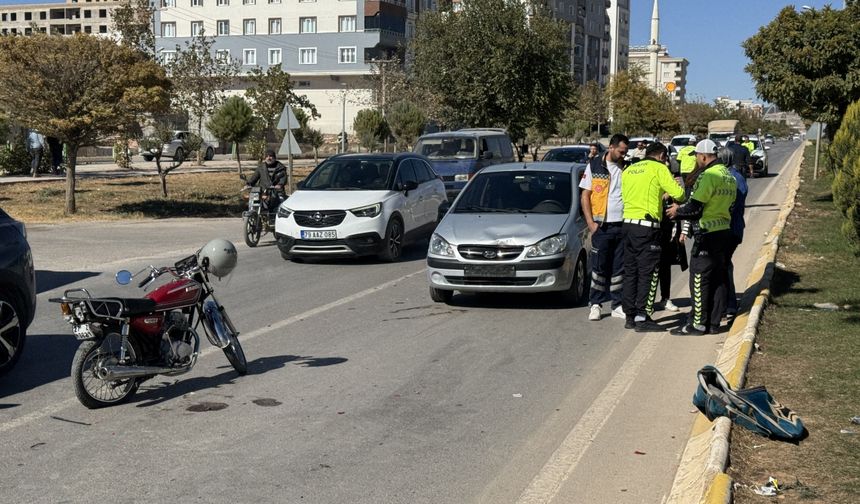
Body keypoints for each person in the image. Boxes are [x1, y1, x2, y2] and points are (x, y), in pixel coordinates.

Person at [666, 139, 737, 335]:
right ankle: (714, 324)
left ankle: (697, 324)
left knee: (699, 278)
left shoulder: (709, 176)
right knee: (719, 279)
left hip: (707, 234)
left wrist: (677, 211)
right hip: (724, 232)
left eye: (697, 156)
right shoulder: (728, 176)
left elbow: (695, 207)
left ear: (703, 156)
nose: (696, 160)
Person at [620, 142, 686, 332]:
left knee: (631, 272)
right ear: (662, 155)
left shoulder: (630, 170)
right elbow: (679, 195)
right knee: (648, 273)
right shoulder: (659, 168)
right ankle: (643, 316)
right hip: (648, 228)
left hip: (628, 225)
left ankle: (630, 316)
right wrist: (670, 190)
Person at [580, 133, 629, 322]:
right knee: (599, 268)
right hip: (601, 227)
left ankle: (617, 305)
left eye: (625, 152)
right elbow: (585, 195)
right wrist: (591, 224)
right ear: (611, 147)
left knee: (619, 269)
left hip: (622, 225)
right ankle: (595, 304)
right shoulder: (594, 166)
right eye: (621, 151)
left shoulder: (627, 167)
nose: (623, 155)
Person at [720, 146, 748, 319]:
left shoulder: (727, 178)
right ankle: (727, 304)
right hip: (736, 228)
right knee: (724, 265)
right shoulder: (739, 177)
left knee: (722, 266)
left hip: (728, 229)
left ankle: (727, 305)